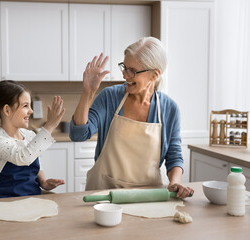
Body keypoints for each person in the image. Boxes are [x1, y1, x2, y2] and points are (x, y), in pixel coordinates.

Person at [69, 37, 194, 199]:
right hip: (103, 193)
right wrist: (88, 92)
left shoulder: (169, 108)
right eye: (124, 67)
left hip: (147, 196)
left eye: (132, 71)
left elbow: (174, 155)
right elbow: (78, 134)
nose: (125, 75)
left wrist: (175, 182)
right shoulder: (110, 97)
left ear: (154, 74)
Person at [0, 80, 65, 199]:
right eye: (25, 106)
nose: (31, 111)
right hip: (3, 203)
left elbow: (36, 164)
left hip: (31, 200)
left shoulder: (30, 135)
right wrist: (49, 126)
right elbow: (23, 157)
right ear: (7, 110)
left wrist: (43, 181)